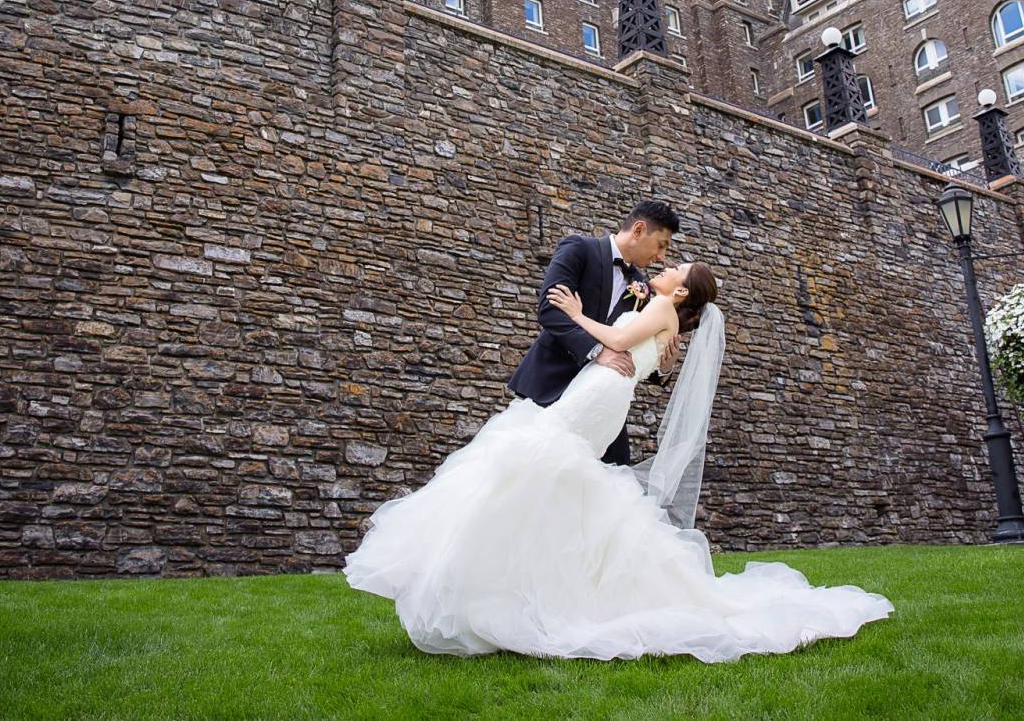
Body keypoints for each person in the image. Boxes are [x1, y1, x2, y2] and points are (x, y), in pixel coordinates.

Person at [343, 251, 894, 663]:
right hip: (603, 394)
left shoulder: (659, 308)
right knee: (553, 476)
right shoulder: (664, 313)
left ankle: (524, 592)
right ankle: (533, 585)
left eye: (677, 268)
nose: (668, 265)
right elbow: (637, 348)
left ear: (680, 293)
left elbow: (613, 336)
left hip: (600, 394)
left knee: (532, 463)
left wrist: (576, 312)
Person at [507, 200, 680, 466]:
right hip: (551, 384)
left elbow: (635, 349)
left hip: (600, 403)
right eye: (661, 244)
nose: (661, 257)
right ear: (638, 230)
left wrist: (663, 368)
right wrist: (598, 351)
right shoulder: (579, 249)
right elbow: (550, 311)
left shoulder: (643, 287)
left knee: (612, 478)